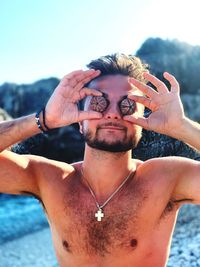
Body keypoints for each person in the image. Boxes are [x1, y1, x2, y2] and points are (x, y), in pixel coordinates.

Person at [0, 53, 200, 267]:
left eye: (128, 105)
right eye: (98, 102)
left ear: (142, 122)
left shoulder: (167, 180)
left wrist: (181, 127)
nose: (113, 114)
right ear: (80, 122)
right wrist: (44, 119)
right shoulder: (50, 180)